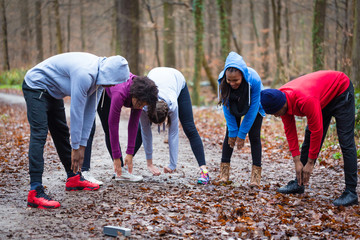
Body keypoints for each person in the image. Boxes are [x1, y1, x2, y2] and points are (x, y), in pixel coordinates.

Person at [23, 52, 130, 209]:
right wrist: (75, 146)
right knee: (39, 134)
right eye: (114, 81)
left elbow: (89, 112)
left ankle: (73, 178)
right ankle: (35, 190)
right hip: (36, 85)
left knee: (61, 133)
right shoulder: (85, 74)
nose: (113, 86)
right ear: (108, 74)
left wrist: (82, 145)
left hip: (53, 92)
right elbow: (77, 111)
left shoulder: (100, 79)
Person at [260, 70, 358, 207]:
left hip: (340, 90)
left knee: (346, 142)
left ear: (281, 106)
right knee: (308, 139)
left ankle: (351, 192)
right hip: (321, 96)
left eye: (275, 113)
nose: (276, 116)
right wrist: (296, 160)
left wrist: (310, 163)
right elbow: (290, 130)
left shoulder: (305, 100)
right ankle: (299, 183)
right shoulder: (279, 97)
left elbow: (317, 131)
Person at [134, 67, 210, 184]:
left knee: (189, 128)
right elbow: (146, 132)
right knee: (140, 130)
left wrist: (172, 164)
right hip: (156, 75)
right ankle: (122, 166)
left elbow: (173, 133)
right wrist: (149, 163)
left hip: (176, 79)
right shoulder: (144, 107)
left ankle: (204, 171)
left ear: (167, 114)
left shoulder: (172, 104)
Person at [82, 73, 158, 184]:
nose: (141, 107)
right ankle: (84, 171)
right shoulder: (120, 93)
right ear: (134, 95)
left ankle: (120, 172)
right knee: (90, 128)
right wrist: (116, 156)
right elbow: (113, 124)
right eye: (141, 104)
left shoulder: (142, 94)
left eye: (144, 105)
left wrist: (130, 153)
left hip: (115, 88)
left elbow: (133, 124)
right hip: (100, 89)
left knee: (109, 130)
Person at [217, 52, 265, 187]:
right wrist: (234, 131)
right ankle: (224, 174)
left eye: (236, 80)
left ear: (242, 76)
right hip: (234, 104)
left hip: (254, 105)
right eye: (229, 80)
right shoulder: (222, 80)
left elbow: (253, 109)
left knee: (254, 136)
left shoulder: (254, 79)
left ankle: (255, 177)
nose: (232, 83)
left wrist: (242, 134)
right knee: (229, 135)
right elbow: (226, 107)